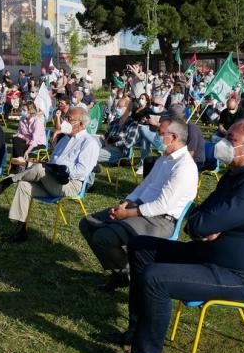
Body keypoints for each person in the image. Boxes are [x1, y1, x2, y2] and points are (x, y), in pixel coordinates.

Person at [100, 120, 244, 353]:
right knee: (140, 245)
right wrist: (208, 225)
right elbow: (198, 213)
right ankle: (137, 330)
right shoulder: (235, 176)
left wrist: (209, 225)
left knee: (155, 278)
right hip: (211, 256)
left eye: (230, 139)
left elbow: (201, 223)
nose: (221, 143)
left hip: (239, 275)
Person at [80, 118, 198, 292]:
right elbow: (144, 186)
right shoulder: (164, 159)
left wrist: (127, 214)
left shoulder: (184, 167)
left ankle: (126, 274)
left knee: (103, 237)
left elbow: (162, 205)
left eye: (160, 133)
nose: (156, 136)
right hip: (140, 209)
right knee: (88, 223)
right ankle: (123, 272)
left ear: (173, 137)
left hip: (159, 221)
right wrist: (125, 203)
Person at [0, 106, 99, 243]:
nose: (65, 122)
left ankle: (9, 180)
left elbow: (81, 171)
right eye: (65, 118)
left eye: (69, 119)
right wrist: (47, 166)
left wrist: (57, 170)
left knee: (40, 169)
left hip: (70, 184)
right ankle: (19, 230)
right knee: (24, 185)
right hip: (50, 180)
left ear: (81, 124)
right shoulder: (64, 139)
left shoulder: (89, 143)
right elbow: (52, 160)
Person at [97, 97, 140, 165]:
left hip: (119, 150)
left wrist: (114, 144)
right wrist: (103, 138)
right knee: (92, 141)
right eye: (116, 106)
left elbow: (129, 143)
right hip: (106, 145)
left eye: (119, 106)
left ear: (127, 109)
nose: (116, 108)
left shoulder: (133, 124)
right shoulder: (114, 122)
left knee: (94, 154)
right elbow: (106, 135)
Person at [9, 101, 46, 171]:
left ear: (31, 111)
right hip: (27, 141)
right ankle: (21, 161)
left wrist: (27, 151)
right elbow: (18, 133)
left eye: (24, 110)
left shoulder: (37, 121)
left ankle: (17, 167)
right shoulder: (22, 120)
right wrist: (24, 138)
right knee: (16, 139)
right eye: (22, 110)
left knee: (18, 146)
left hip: (38, 144)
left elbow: (35, 140)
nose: (22, 112)